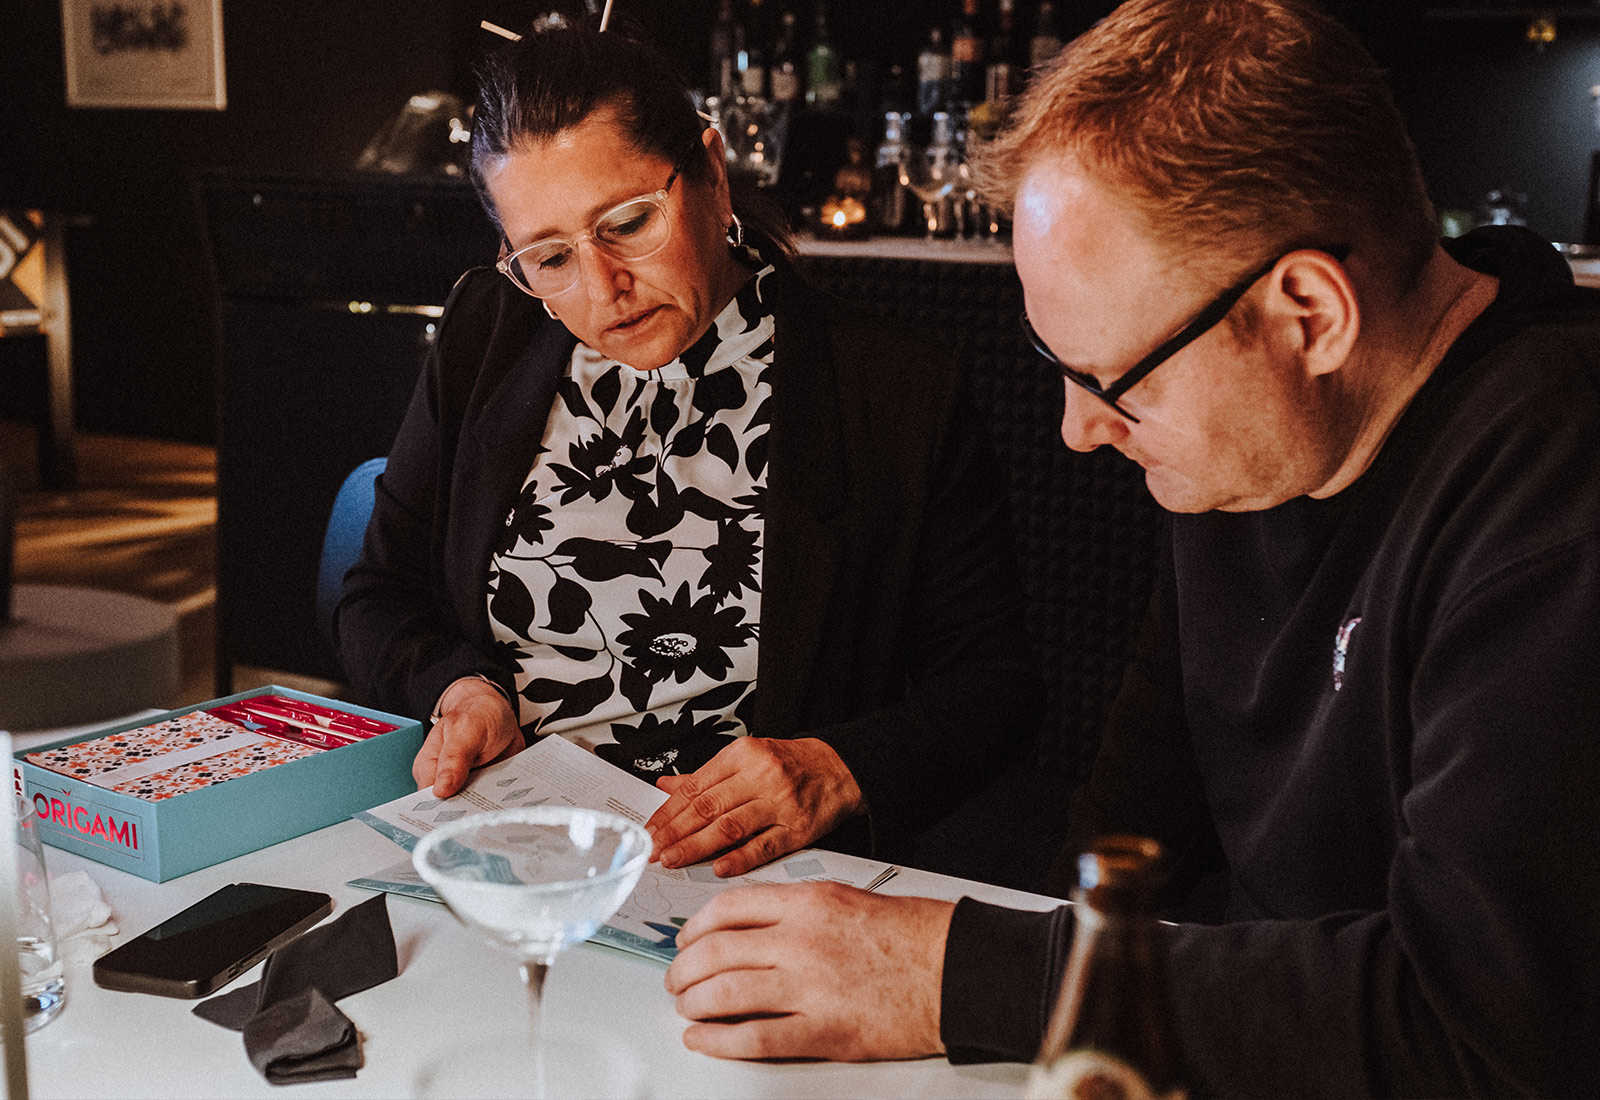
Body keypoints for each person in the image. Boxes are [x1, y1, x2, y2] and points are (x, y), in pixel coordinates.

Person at [662, 0, 1600, 1093]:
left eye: (1114, 379)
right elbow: (1132, 816)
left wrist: (944, 972)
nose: (1079, 429)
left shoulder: (1556, 502)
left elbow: (1486, 1029)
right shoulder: (1260, 434)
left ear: (1308, 313)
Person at [335, 16, 1041, 878]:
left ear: (711, 170)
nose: (603, 288)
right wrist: (460, 688)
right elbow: (377, 593)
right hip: (509, 843)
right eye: (549, 258)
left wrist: (837, 769)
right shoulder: (487, 332)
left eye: (629, 222)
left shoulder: (892, 387)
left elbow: (994, 686)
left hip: (744, 874)